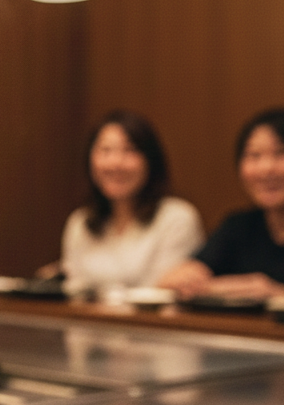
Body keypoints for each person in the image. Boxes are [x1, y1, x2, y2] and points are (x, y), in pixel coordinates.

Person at [54, 111, 203, 294]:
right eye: (106, 150)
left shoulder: (176, 218)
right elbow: (74, 290)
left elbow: (165, 292)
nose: (115, 163)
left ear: (150, 160)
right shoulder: (80, 221)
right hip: (85, 322)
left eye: (129, 150)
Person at [161, 108, 284, 300]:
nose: (266, 168)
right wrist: (247, 287)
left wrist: (281, 294)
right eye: (254, 155)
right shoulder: (239, 227)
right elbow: (172, 281)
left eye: (282, 153)